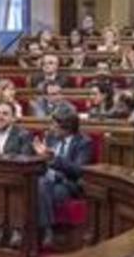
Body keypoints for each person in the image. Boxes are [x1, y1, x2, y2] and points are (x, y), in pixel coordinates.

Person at [33, 105, 95, 247]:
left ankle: (43, 230)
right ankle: (47, 230)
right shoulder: (50, 138)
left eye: (54, 125)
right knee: (40, 184)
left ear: (66, 127)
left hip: (69, 183)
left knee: (46, 189)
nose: (51, 128)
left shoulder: (84, 142)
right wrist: (41, 157)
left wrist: (54, 159)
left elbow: (79, 170)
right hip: (47, 179)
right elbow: (44, 163)